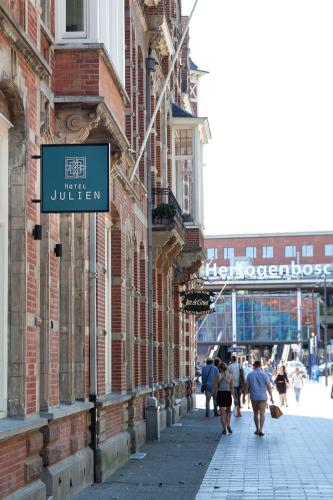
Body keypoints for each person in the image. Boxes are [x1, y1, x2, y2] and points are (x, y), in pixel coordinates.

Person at [245, 360, 274, 436]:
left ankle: (257, 429)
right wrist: (271, 396)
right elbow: (268, 387)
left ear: (254, 366)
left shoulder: (250, 375)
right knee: (262, 413)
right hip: (262, 397)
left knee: (255, 413)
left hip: (254, 397)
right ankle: (261, 429)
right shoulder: (264, 375)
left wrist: (244, 396)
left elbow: (246, 387)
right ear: (260, 366)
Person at [214, 362, 234, 434]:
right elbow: (232, 388)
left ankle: (224, 428)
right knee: (228, 412)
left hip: (220, 394)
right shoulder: (230, 376)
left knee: (222, 413)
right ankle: (228, 425)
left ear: (220, 368)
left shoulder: (218, 376)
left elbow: (215, 387)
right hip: (227, 394)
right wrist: (233, 397)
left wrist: (213, 394)